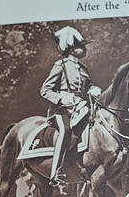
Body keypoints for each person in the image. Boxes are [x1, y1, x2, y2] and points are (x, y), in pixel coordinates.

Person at [40, 25, 101, 187]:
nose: (83, 49)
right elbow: (45, 90)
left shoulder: (83, 68)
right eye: (80, 46)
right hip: (61, 111)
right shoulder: (60, 65)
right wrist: (61, 98)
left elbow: (87, 86)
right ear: (71, 49)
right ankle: (55, 171)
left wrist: (93, 89)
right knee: (66, 130)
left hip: (80, 109)